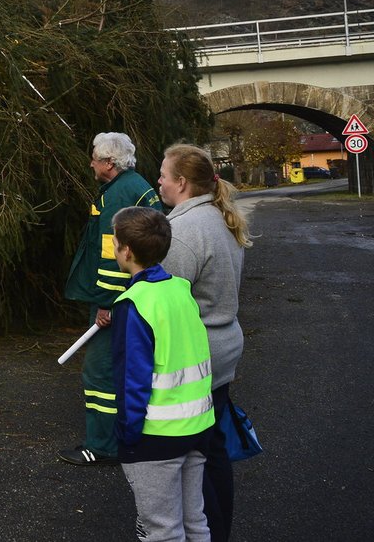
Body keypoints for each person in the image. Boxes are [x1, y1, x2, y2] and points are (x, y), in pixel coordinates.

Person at [158, 144, 252, 542]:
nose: (158, 181)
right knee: (213, 453)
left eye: (163, 174)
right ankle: (219, 531)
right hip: (223, 344)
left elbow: (165, 304)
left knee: (193, 462)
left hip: (196, 356)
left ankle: (207, 533)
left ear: (181, 182)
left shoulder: (181, 233)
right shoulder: (218, 217)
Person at [110, 206, 215, 542]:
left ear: (126, 251)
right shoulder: (181, 290)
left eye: (115, 242)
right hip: (198, 427)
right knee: (194, 521)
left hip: (156, 436)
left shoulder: (133, 304)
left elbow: (132, 380)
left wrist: (127, 436)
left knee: (162, 530)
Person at [60, 131, 164, 466]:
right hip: (135, 295)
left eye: (94, 157)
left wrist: (105, 303)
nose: (90, 163)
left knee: (99, 372)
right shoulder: (136, 186)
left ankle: (102, 445)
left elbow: (112, 256)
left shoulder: (118, 197)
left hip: (117, 301)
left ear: (108, 162)